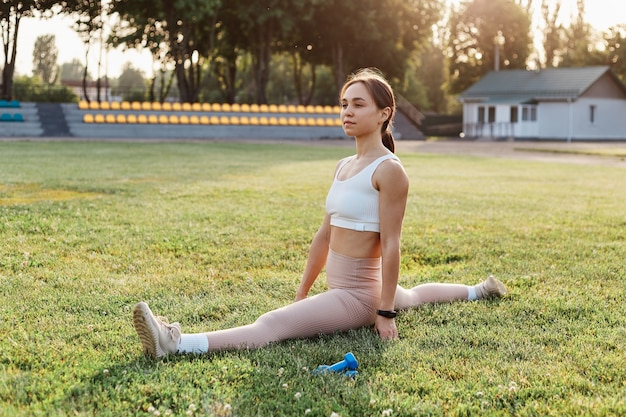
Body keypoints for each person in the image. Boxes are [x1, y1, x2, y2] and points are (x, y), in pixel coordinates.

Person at [132, 68, 507, 358]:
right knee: (418, 296)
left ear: (384, 114)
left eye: (358, 104)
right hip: (345, 287)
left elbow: (392, 245)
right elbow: (324, 237)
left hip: (360, 295)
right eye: (344, 103)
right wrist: (301, 296)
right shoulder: (344, 165)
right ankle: (478, 289)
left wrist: (385, 312)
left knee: (272, 325)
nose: (347, 111)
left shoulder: (390, 170)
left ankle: (175, 343)